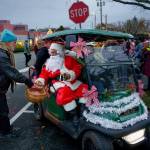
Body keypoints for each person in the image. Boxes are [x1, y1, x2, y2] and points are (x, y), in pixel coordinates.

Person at [35, 43, 88, 125]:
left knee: (84, 88)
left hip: (70, 80)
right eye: (51, 52)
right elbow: (43, 74)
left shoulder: (68, 59)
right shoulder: (48, 63)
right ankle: (74, 115)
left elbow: (77, 68)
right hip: (57, 83)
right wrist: (41, 80)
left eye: (54, 52)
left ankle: (82, 110)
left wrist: (71, 74)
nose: (52, 55)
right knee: (65, 92)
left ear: (59, 52)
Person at [0, 29, 33, 138]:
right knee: (3, 111)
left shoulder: (4, 53)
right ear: (7, 43)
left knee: (3, 110)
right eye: (14, 42)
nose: (15, 44)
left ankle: (6, 129)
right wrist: (28, 81)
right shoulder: (2, 55)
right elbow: (12, 72)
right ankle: (5, 133)